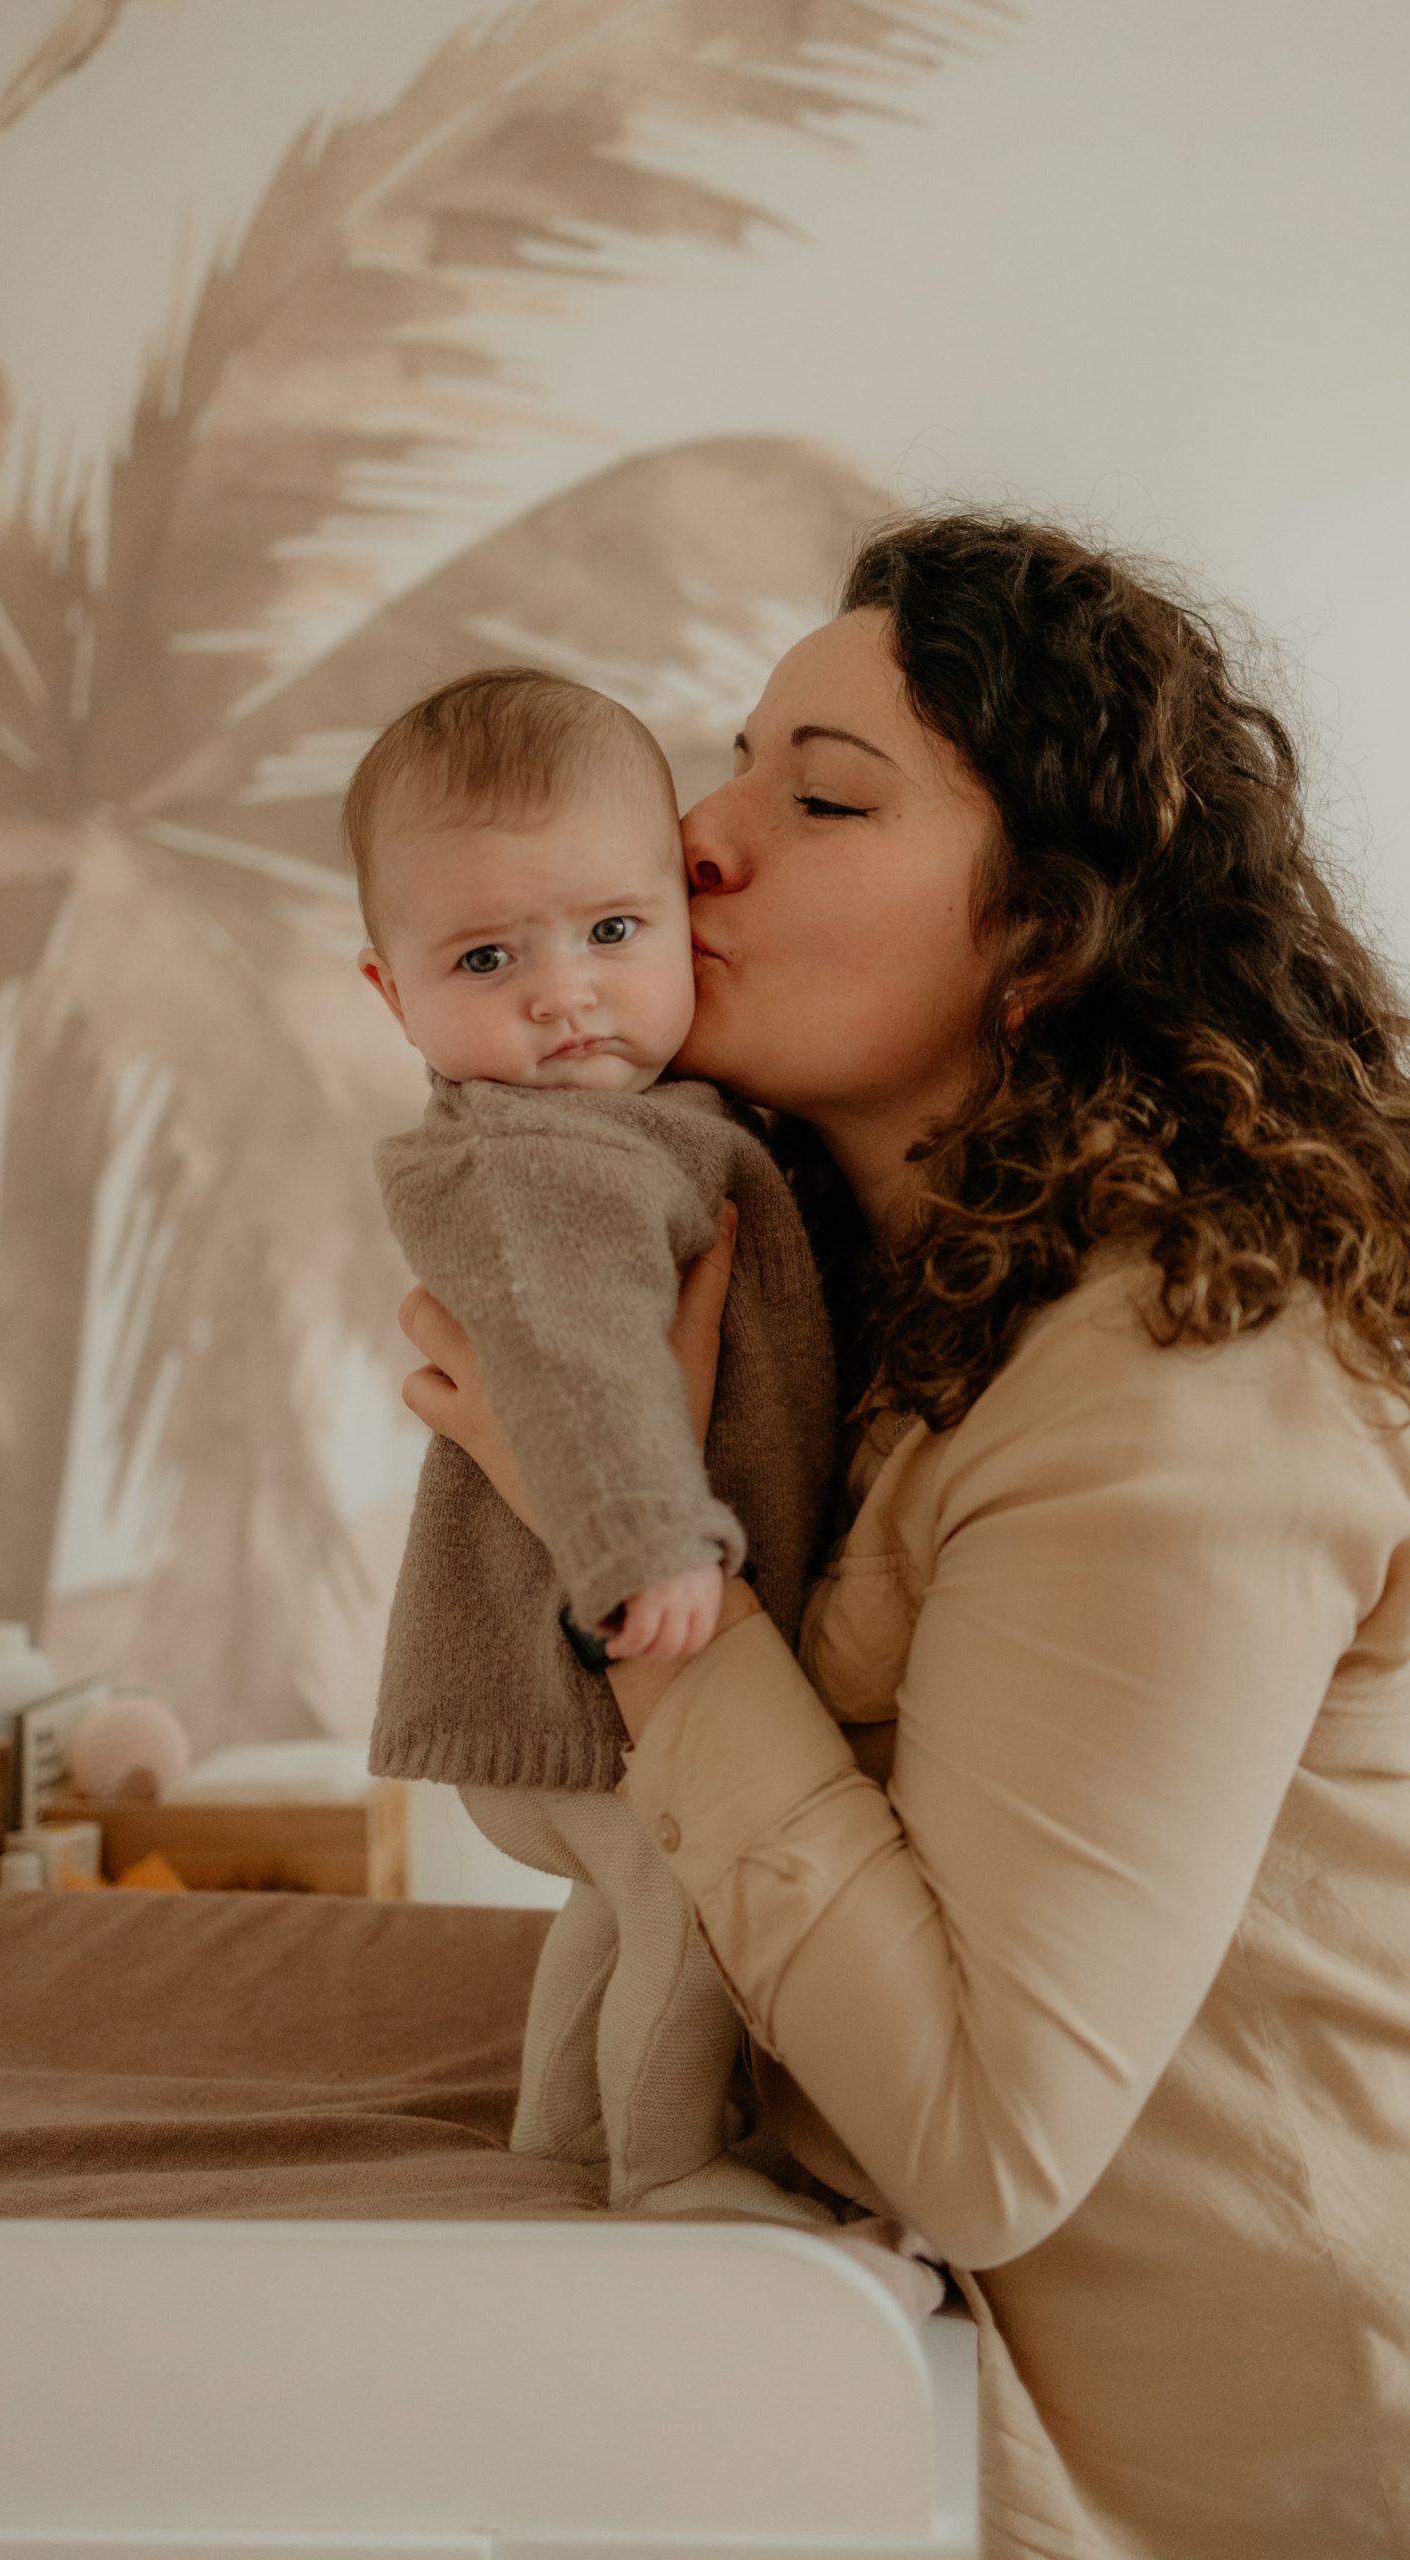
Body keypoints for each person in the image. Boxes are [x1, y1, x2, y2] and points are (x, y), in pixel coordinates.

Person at [391, 513, 1410, 2560]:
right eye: (733, 761)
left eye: (816, 795)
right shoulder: (869, 1309)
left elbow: (980, 2141)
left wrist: (632, 1577)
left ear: (1040, 938)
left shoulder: (1170, 1389)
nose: (697, 837)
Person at [346, 667, 942, 2308]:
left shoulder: (657, 1129)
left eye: (613, 931)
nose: (563, 997)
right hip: (593, 1647)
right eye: (489, 960)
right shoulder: (537, 1162)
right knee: (685, 1899)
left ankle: (559, 2146)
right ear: (393, 993)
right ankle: (675, 2169)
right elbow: (578, 1366)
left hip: (597, 1652)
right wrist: (647, 1547)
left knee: (616, 1917)